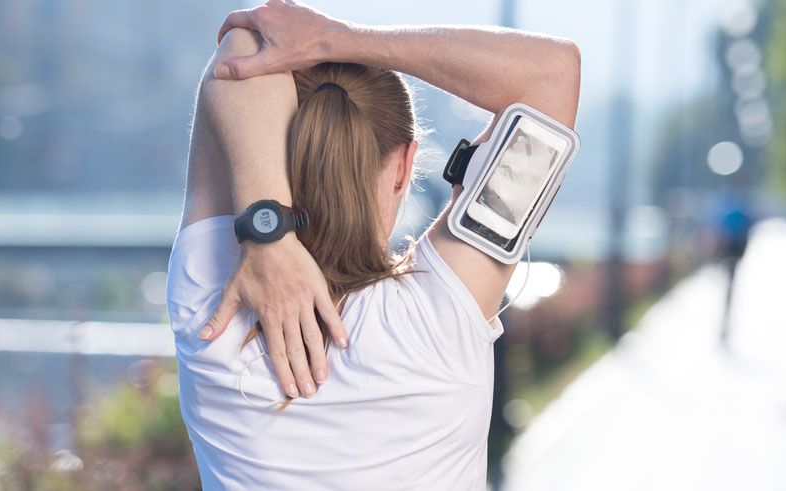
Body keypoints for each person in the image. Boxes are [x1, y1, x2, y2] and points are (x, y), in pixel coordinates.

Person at [164, 1, 580, 488]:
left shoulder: (211, 307)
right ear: (405, 166)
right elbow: (553, 73)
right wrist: (337, 38)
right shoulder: (444, 314)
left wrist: (267, 233)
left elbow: (243, 47)